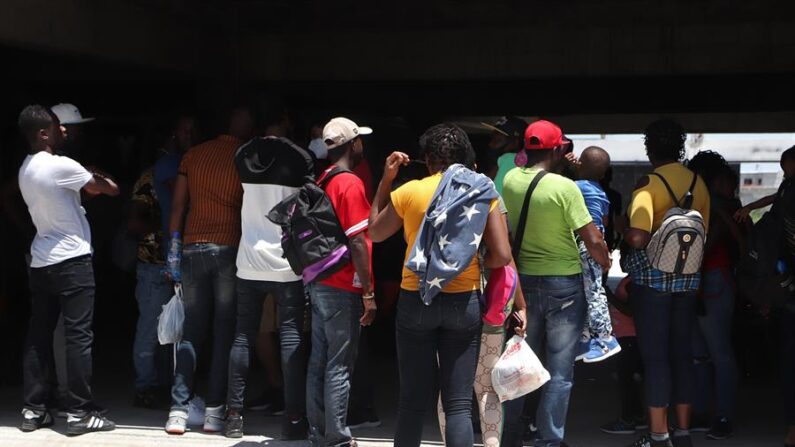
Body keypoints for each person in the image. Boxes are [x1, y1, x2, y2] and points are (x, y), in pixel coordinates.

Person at [369, 123, 523, 447]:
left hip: (415, 299)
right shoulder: (482, 190)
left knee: (411, 402)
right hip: (463, 301)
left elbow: (375, 233)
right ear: (466, 157)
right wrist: (472, 264)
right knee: (457, 405)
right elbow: (503, 255)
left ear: (427, 159)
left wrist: (385, 180)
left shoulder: (409, 191)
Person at [500, 119, 611, 447]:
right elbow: (591, 238)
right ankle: (549, 440)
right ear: (558, 148)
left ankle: (512, 438)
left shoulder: (509, 180)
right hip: (564, 285)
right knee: (559, 372)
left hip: (523, 285)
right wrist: (605, 261)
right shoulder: (566, 188)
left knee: (521, 364)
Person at [17, 105, 119, 435]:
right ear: (43, 133)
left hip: (41, 259)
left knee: (38, 335)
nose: (63, 131)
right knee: (78, 338)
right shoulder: (61, 165)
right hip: (72, 261)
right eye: (57, 127)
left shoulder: (25, 167)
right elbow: (110, 188)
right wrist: (92, 173)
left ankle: (34, 409)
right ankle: (79, 411)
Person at [622, 119, 710, 447]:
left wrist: (623, 223)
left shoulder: (650, 183)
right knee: (681, 355)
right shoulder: (698, 183)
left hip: (653, 281)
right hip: (688, 280)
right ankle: (683, 432)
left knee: (656, 358)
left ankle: (659, 436)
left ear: (650, 149)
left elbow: (637, 236)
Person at [164, 107, 252, 435]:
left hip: (191, 247)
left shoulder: (193, 155)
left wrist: (172, 254)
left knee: (192, 331)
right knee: (224, 332)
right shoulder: (244, 157)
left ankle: (178, 409)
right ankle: (215, 411)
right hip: (229, 247)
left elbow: (177, 207)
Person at [223, 135, 314, 439]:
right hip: (286, 265)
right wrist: (283, 142)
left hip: (249, 262)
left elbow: (240, 152)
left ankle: (233, 416)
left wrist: (264, 140)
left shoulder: (245, 164)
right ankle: (293, 418)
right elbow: (306, 164)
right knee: (290, 336)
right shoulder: (298, 164)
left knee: (242, 336)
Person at [305, 117, 378, 447]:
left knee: (319, 359)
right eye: (360, 140)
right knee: (339, 364)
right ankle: (336, 437)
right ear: (354, 144)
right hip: (341, 284)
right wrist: (368, 292)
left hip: (319, 279)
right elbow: (358, 241)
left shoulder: (323, 178)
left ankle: (318, 433)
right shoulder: (349, 183)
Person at [687, 151, 742, 440]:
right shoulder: (711, 202)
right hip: (709, 279)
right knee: (704, 353)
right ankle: (709, 412)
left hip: (711, 278)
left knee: (714, 353)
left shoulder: (713, 204)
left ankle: (720, 415)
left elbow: (708, 244)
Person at [129, 165, 172, 409]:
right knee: (149, 331)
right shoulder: (150, 178)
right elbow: (134, 224)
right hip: (153, 265)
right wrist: (166, 220)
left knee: (171, 332)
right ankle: (145, 387)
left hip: (174, 265)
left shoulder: (183, 173)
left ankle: (163, 386)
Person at [573, 146, 622, 363]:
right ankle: (585, 340)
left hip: (586, 244)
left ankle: (605, 338)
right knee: (588, 290)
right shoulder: (599, 191)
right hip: (594, 242)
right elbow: (604, 222)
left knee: (593, 292)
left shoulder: (575, 187)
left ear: (580, 165)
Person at [599, 275, 648, 435]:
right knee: (630, 380)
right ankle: (638, 416)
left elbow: (630, 311)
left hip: (629, 337)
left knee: (625, 380)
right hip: (627, 336)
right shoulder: (632, 280)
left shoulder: (633, 283)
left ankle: (627, 420)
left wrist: (609, 296)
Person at [734, 146, 795, 223]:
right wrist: (750, 207)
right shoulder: (787, 186)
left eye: (786, 171)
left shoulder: (788, 186)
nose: (784, 176)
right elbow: (773, 198)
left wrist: (750, 207)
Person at [481, 116, 528, 194]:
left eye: (497, 140)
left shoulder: (510, 159)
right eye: (492, 139)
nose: (490, 144)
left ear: (515, 143)